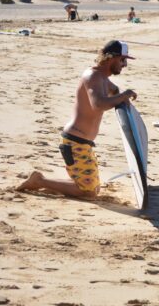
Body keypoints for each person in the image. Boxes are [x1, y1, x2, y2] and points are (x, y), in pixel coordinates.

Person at [16, 40, 138, 199]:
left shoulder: (102, 77)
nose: (125, 64)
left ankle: (52, 183)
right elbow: (98, 104)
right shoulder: (93, 75)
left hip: (83, 143)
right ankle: (39, 181)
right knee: (88, 193)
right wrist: (124, 95)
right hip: (74, 143)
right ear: (110, 58)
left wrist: (120, 94)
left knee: (94, 189)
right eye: (122, 60)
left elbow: (113, 89)